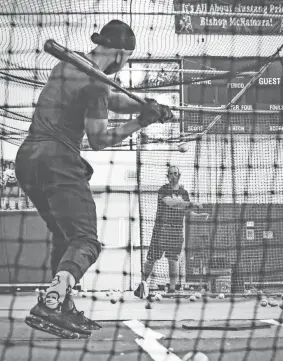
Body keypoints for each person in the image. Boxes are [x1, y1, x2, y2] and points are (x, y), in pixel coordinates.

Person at [15, 19, 173, 339]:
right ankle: (52, 300)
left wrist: (148, 105)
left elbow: (111, 100)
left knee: (65, 237)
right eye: (125, 59)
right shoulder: (97, 82)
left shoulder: (72, 65)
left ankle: (62, 306)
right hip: (58, 160)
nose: (123, 65)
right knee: (86, 241)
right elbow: (99, 140)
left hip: (28, 161)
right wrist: (141, 122)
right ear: (117, 54)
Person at [134, 165, 209, 298]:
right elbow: (171, 203)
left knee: (173, 259)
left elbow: (186, 211)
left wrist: (199, 215)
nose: (173, 175)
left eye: (175, 173)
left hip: (176, 231)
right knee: (151, 259)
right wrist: (192, 203)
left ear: (179, 176)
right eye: (170, 173)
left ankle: (172, 289)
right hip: (161, 229)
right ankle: (143, 284)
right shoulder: (164, 190)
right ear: (167, 176)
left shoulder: (184, 192)